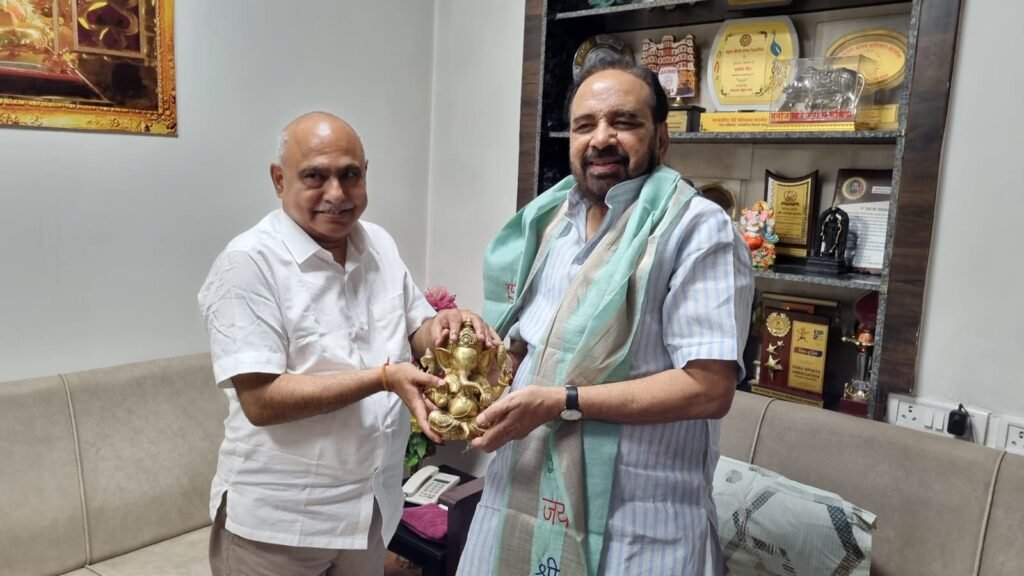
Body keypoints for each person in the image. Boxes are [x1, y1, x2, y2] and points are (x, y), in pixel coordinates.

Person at [457, 59, 755, 576]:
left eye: (624, 121)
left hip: (636, 523)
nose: (601, 138)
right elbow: (528, 343)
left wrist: (562, 402)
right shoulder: (551, 223)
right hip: (524, 495)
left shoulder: (697, 229)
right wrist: (475, 374)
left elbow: (710, 388)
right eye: (584, 125)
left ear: (661, 137)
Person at [197, 111, 497, 576]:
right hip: (280, 527)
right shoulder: (248, 263)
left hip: (369, 513)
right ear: (279, 180)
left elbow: (417, 330)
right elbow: (261, 400)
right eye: (315, 176)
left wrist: (446, 327)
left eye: (350, 175)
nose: (336, 194)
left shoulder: (378, 244)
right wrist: (382, 379)